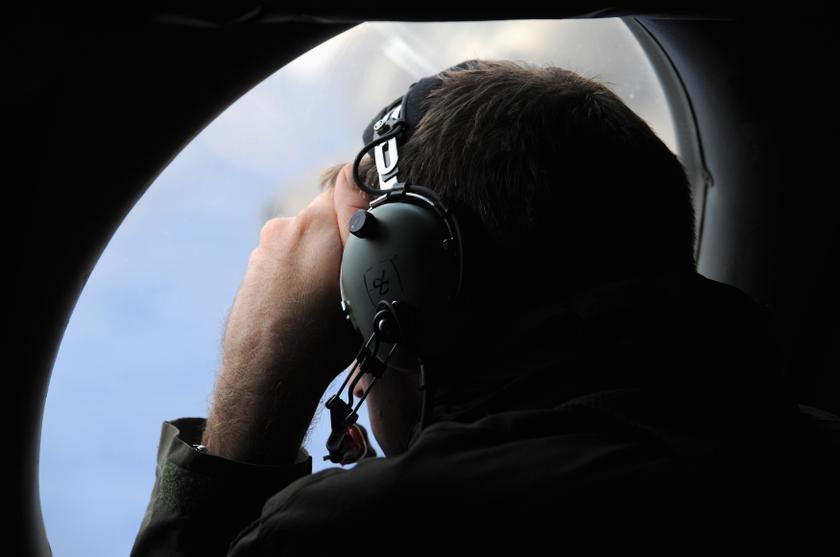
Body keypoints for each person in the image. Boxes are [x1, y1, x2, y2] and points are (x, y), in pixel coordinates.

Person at [130, 60, 839, 556]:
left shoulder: (369, 528)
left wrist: (254, 398)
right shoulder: (804, 451)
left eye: (353, 308)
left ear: (396, 284)